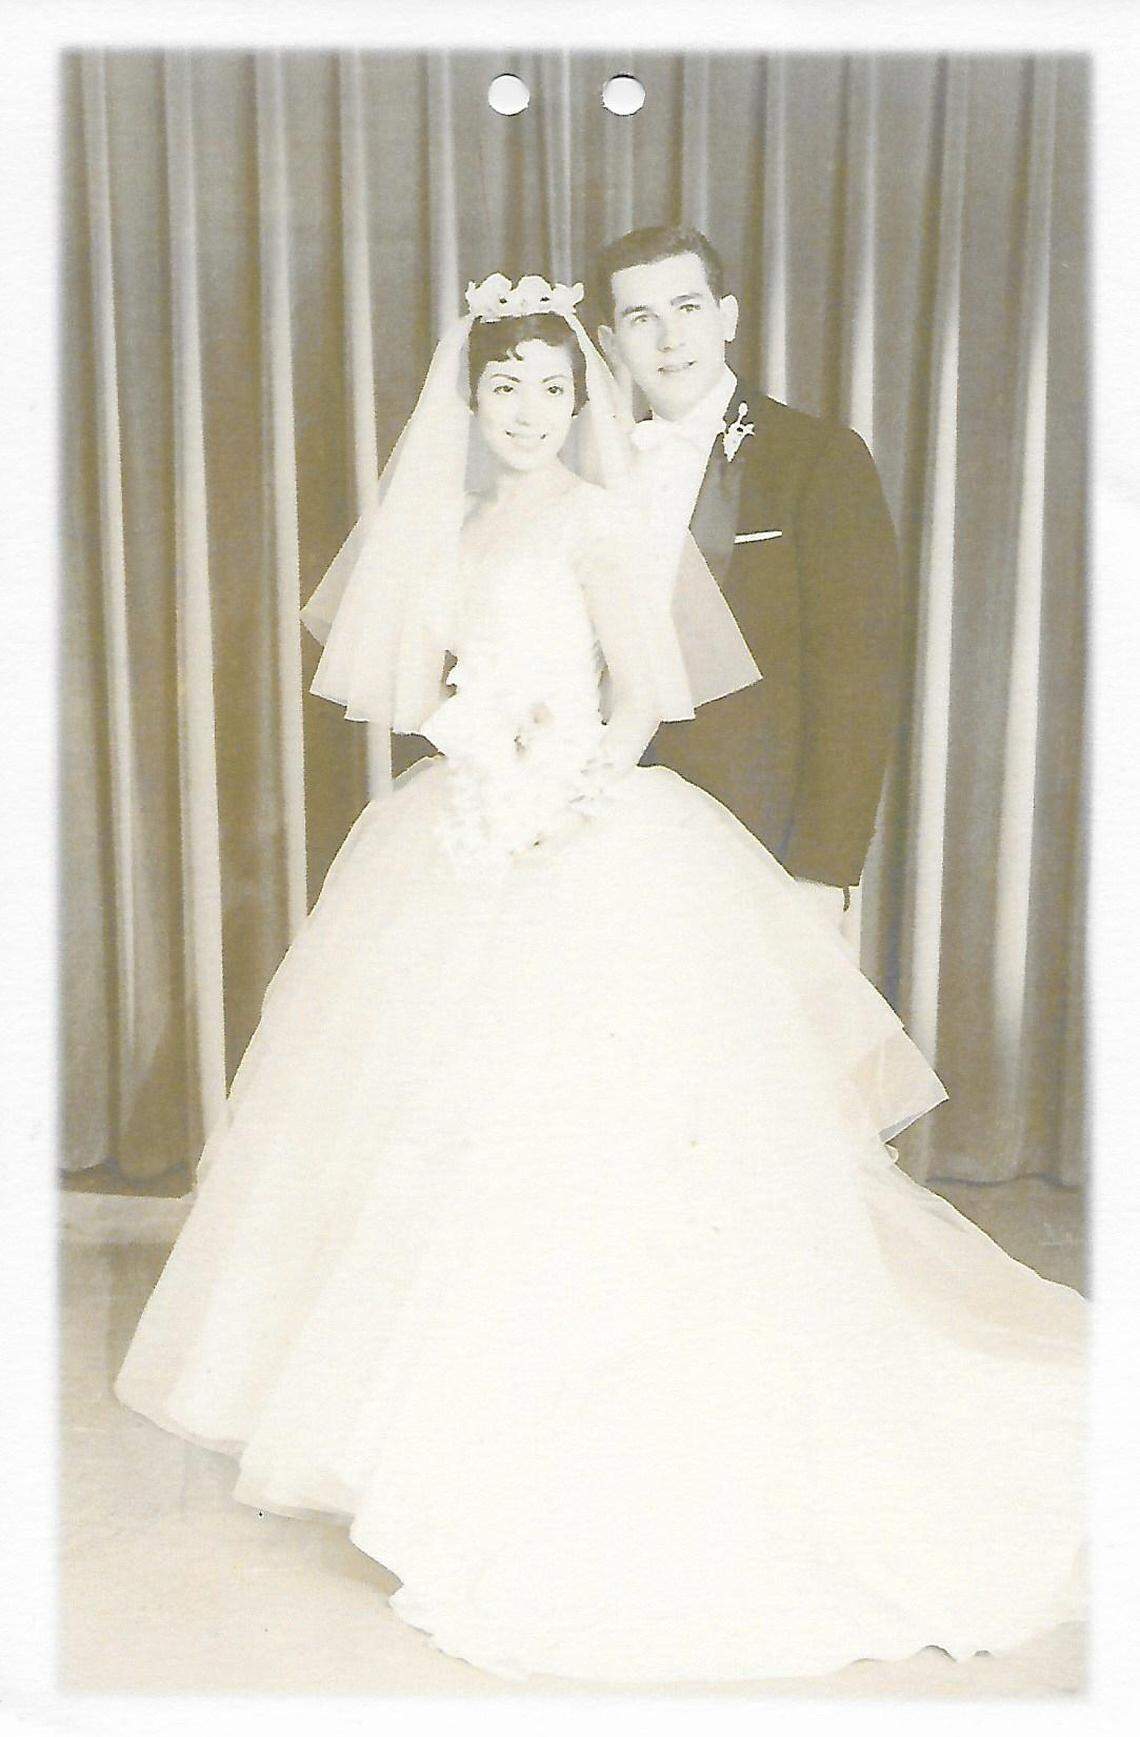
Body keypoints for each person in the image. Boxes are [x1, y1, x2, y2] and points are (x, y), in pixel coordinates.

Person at [114, 274, 1085, 1688]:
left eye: (553, 389)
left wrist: (569, 783)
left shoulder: (599, 520)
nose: (528, 412)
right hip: (458, 836)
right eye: (504, 388)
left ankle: (605, 1434)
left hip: (591, 827)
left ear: (584, 404)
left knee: (604, 1136)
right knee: (440, 1129)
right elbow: (416, 674)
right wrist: (481, 762)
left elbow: (647, 694)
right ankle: (434, 1433)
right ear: (475, 400)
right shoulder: (450, 524)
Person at [596, 224, 901, 935]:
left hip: (761, 843)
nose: (670, 339)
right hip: (612, 837)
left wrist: (825, 870)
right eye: (642, 318)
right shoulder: (588, 472)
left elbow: (859, 674)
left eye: (688, 308)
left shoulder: (817, 458)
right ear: (610, 343)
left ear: (727, 316)